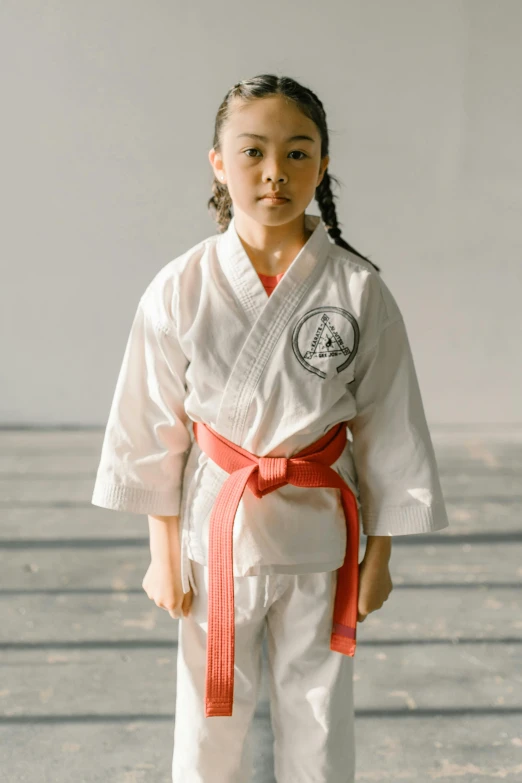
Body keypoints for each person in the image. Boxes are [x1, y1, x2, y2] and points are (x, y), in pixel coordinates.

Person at [91, 73, 449, 783]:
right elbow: (151, 427)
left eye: (296, 153)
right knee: (209, 711)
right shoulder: (182, 285)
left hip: (320, 536)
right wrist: (162, 550)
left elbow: (390, 427)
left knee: (318, 709)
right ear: (219, 162)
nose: (274, 173)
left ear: (322, 164)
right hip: (212, 537)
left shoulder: (356, 289)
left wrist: (379, 558)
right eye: (252, 151)